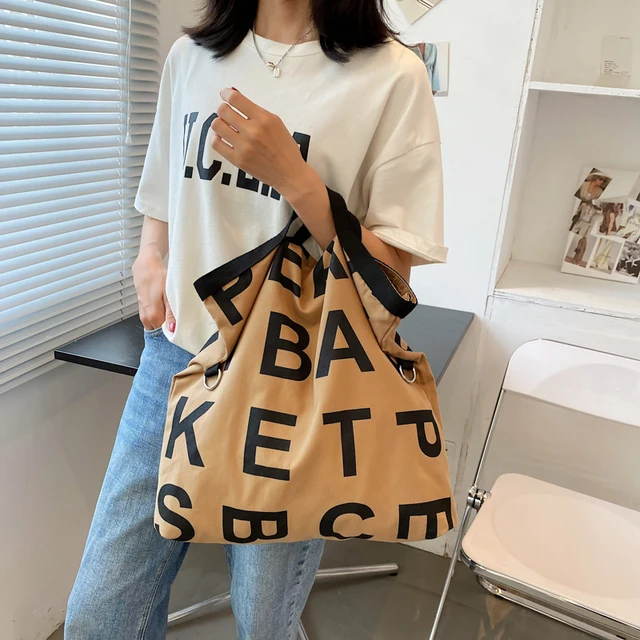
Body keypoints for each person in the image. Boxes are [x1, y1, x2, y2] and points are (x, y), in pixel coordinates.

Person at [64, 0, 447, 638]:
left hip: (297, 379)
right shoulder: (191, 58)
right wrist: (149, 256)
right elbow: (162, 187)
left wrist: (298, 181)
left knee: (264, 620)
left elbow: (394, 269)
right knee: (100, 615)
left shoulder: (392, 76)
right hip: (177, 359)